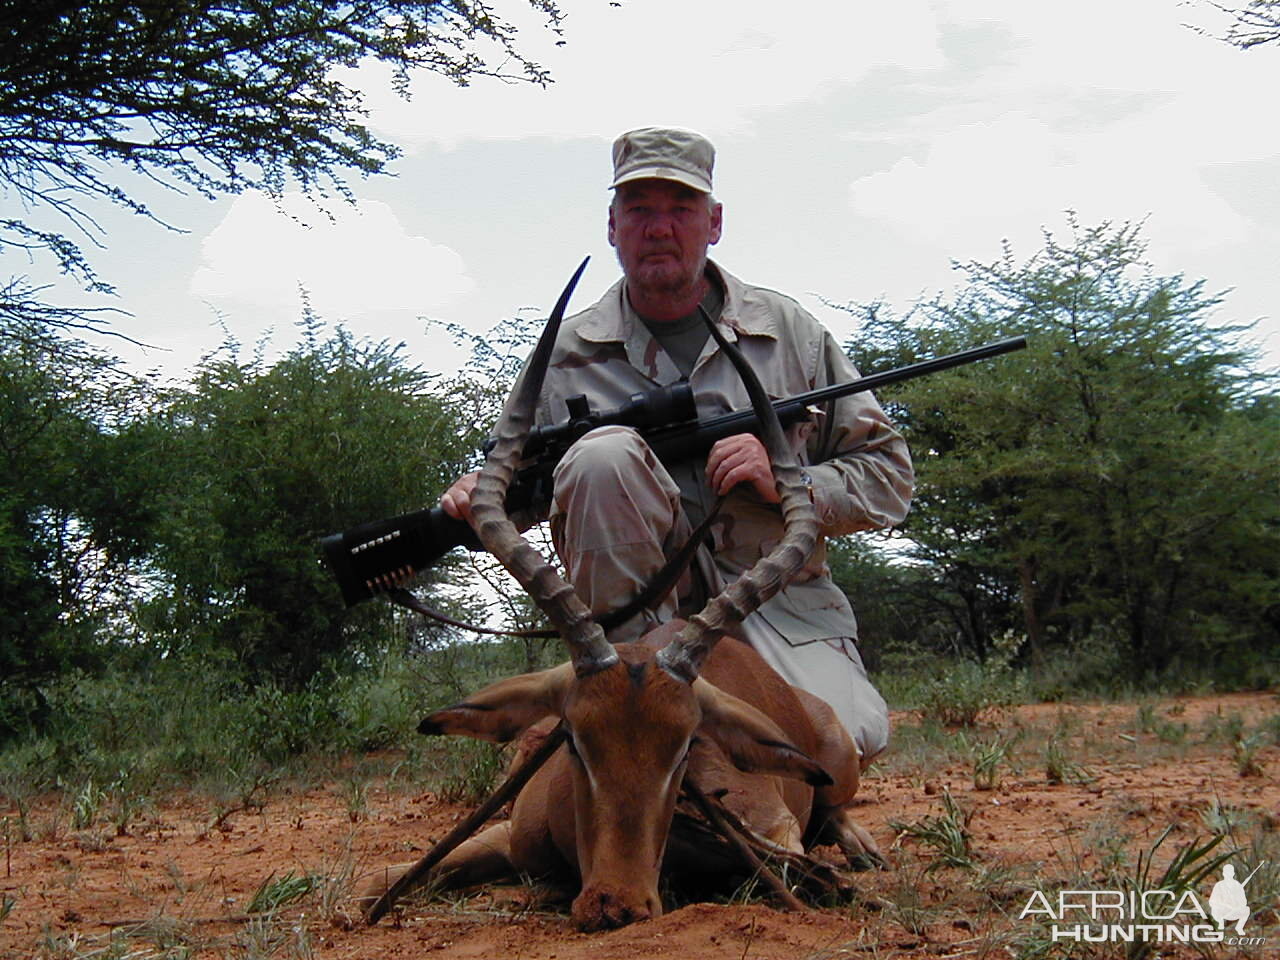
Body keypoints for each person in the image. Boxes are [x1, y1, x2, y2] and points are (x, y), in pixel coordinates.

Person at [442, 127, 913, 767]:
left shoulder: (790, 332)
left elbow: (888, 478)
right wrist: (476, 495)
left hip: (773, 606)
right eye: (639, 210)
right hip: (626, 638)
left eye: (680, 210)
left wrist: (787, 482)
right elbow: (520, 489)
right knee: (602, 457)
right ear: (612, 226)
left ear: (713, 223)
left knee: (842, 745)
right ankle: (623, 702)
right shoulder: (564, 354)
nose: (659, 228)